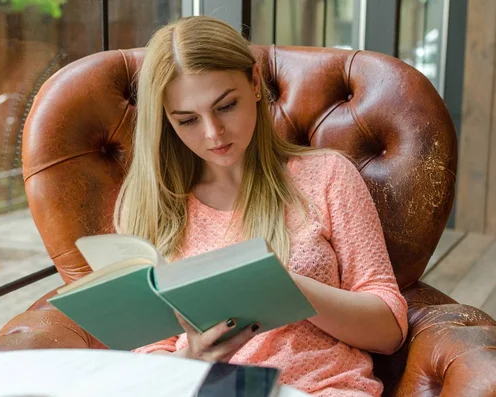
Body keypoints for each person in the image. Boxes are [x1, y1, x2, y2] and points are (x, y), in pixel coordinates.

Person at [113, 15, 407, 397]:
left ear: (254, 82)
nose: (212, 133)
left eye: (226, 105)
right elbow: (148, 364)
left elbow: (388, 332)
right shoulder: (151, 208)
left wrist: (284, 285)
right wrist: (196, 356)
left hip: (321, 389)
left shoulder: (326, 176)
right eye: (187, 120)